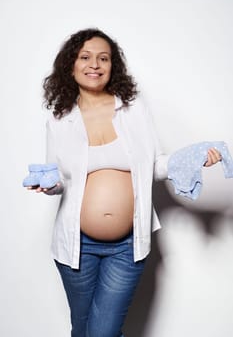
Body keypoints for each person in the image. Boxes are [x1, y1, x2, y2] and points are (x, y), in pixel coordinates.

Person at [26, 28, 222, 337]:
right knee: (83, 328)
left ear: (112, 65)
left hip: (127, 247)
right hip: (77, 245)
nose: (95, 65)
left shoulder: (133, 109)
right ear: (71, 65)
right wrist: (48, 184)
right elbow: (58, 176)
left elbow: (153, 165)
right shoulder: (60, 117)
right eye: (86, 57)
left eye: (103, 58)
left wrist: (191, 158)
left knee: (104, 332)